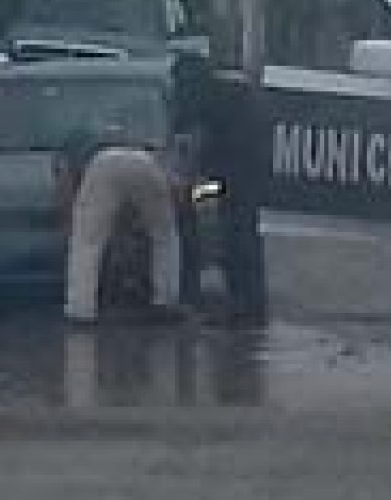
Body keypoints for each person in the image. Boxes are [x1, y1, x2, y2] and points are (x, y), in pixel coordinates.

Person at [171, 54, 267, 323]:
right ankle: (242, 301)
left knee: (237, 233)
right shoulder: (221, 92)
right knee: (234, 231)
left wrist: (187, 176)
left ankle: (243, 303)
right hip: (225, 179)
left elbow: (190, 134)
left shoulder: (208, 94)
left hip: (230, 180)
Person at [56, 130, 183, 323]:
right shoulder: (146, 138)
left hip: (102, 163)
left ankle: (80, 309)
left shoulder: (72, 148)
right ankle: (166, 300)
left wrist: (70, 220)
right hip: (147, 162)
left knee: (87, 242)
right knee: (165, 237)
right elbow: (175, 186)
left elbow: (66, 187)